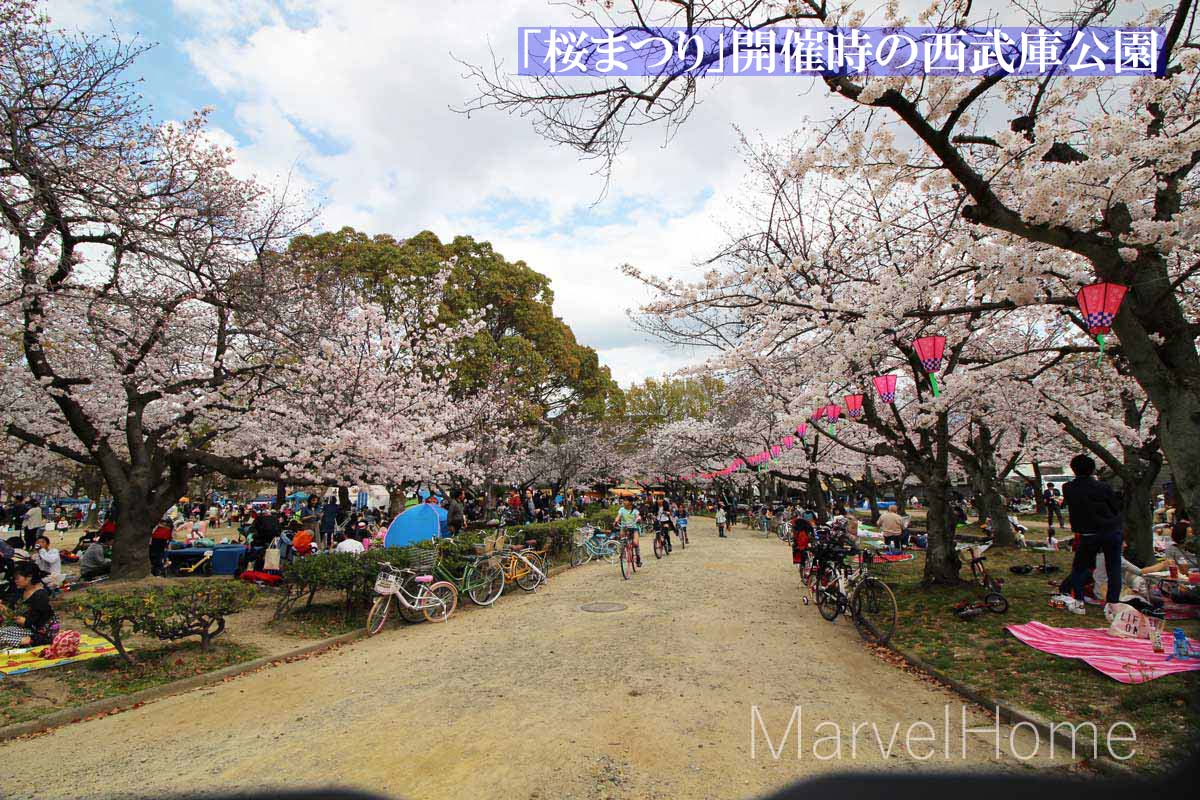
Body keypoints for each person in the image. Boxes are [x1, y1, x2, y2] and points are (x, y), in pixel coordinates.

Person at [1061, 454, 1123, 609]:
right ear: (1093, 469)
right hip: (1110, 530)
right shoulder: (1103, 487)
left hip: (1088, 533)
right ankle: (1113, 603)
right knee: (1113, 568)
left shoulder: (1068, 488)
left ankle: (1079, 601)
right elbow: (1115, 508)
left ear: (1073, 469)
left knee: (1080, 567)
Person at [0, 563, 58, 648]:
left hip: (36, 631)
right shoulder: (21, 591)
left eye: (17, 578)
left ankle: (32, 641)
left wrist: (21, 620)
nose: (15, 581)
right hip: (24, 628)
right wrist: (5, 610)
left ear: (29, 577)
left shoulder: (40, 595)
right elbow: (13, 611)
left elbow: (34, 621)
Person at [615, 498, 642, 566]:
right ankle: (623, 552)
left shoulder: (635, 511)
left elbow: (638, 516)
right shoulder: (622, 510)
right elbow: (618, 517)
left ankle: (638, 557)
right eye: (624, 500)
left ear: (630, 502)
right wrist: (616, 521)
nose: (624, 502)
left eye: (626, 500)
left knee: (636, 543)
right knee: (622, 537)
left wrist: (638, 518)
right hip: (624, 527)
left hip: (634, 528)